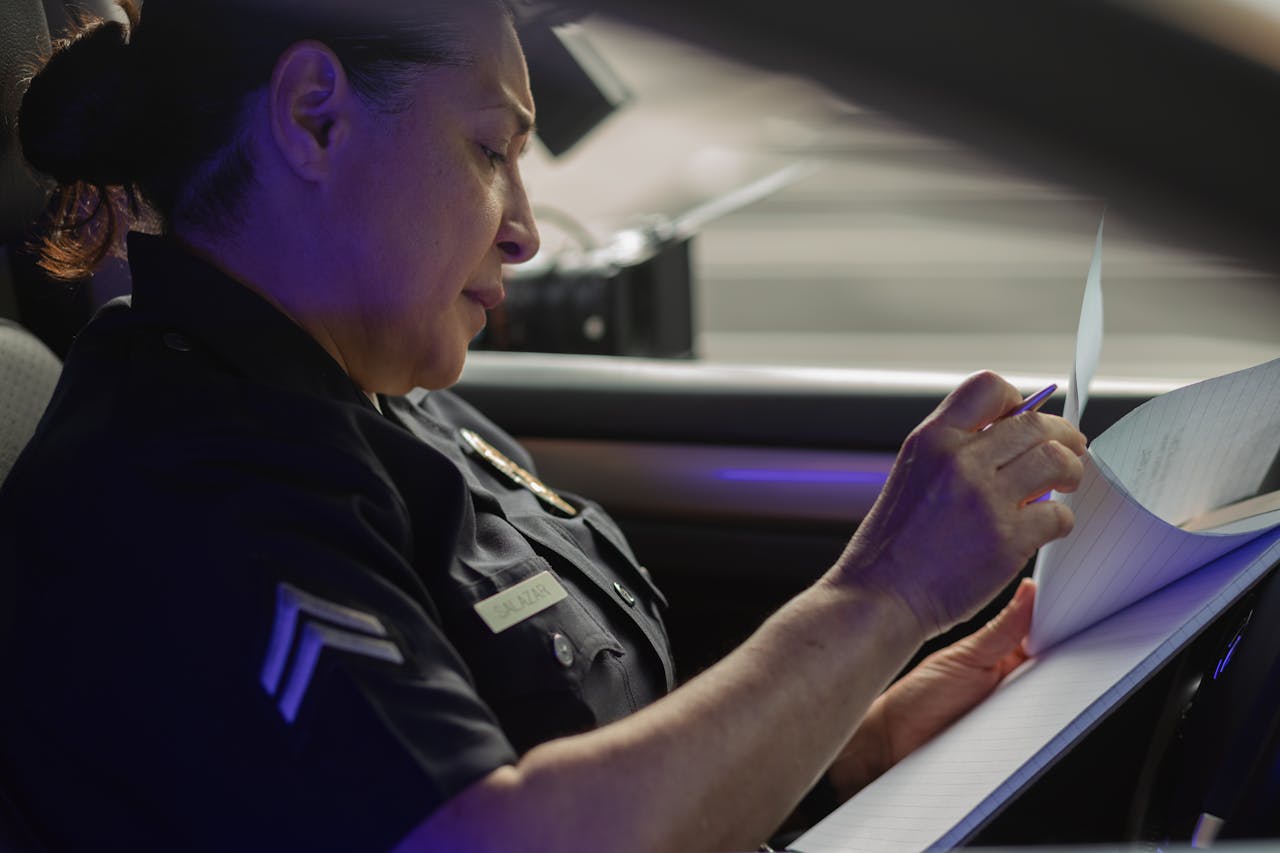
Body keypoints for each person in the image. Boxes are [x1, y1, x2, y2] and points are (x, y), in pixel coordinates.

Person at [0, 0, 1087, 850]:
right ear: (312, 115)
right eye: (489, 150)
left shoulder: (398, 417)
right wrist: (882, 594)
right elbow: (485, 839)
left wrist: (853, 748)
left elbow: (595, 765)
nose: (522, 230)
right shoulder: (182, 495)